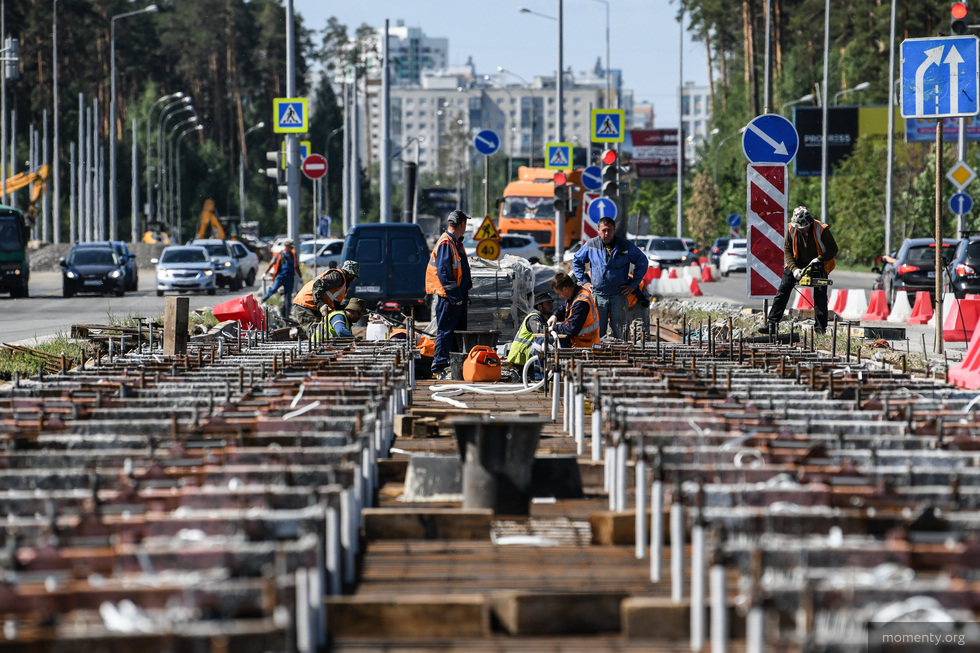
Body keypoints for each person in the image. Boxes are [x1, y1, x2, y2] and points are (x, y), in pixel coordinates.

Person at [761, 205, 838, 334]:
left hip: (817, 264)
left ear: (810, 222)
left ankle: (820, 329)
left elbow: (833, 249)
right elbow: (788, 250)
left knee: (820, 295)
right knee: (783, 289)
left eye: (804, 228)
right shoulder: (791, 229)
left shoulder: (821, 229)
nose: (802, 230)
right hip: (797, 263)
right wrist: (794, 269)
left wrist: (819, 259)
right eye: (800, 228)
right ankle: (772, 324)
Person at [572, 216, 648, 340]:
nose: (606, 233)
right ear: (598, 230)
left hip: (619, 295)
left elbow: (642, 262)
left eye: (609, 230)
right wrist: (584, 281)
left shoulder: (625, 246)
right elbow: (577, 261)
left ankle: (621, 356)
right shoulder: (592, 245)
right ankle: (598, 357)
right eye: (603, 230)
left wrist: (633, 284)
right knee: (597, 331)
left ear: (614, 229)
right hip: (598, 294)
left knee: (620, 330)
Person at [425, 209, 472, 378]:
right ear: (462, 224)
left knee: (457, 332)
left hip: (457, 297)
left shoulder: (454, 242)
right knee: (446, 331)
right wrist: (455, 297)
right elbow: (444, 272)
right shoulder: (446, 243)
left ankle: (454, 365)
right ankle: (439, 366)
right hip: (449, 297)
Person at [292, 259, 360, 329]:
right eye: (355, 277)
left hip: (311, 305)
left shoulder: (342, 281)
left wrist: (344, 311)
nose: (354, 279)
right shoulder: (337, 277)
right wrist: (321, 305)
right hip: (306, 304)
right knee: (316, 333)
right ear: (351, 274)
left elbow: (333, 300)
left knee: (321, 331)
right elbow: (318, 286)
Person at [547, 272, 599, 348]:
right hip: (577, 340)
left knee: (544, 342)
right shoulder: (574, 294)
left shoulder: (581, 302)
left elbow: (572, 328)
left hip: (584, 343)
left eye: (559, 293)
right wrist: (555, 315)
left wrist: (554, 328)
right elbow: (565, 307)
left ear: (565, 289)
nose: (560, 296)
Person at [506, 291, 556, 368]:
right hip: (521, 357)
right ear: (539, 307)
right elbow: (539, 334)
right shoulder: (534, 318)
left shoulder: (543, 319)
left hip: (526, 358)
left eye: (551, 303)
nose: (551, 306)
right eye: (548, 303)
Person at [260, 239, 298, 318]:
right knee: (273, 289)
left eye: (292, 247)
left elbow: (296, 266)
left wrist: (300, 277)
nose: (291, 248)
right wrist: (264, 273)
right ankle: (263, 300)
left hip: (290, 278)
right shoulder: (279, 254)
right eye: (290, 247)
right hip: (280, 277)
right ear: (286, 246)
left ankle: (286, 315)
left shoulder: (293, 254)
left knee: (288, 297)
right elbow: (271, 264)